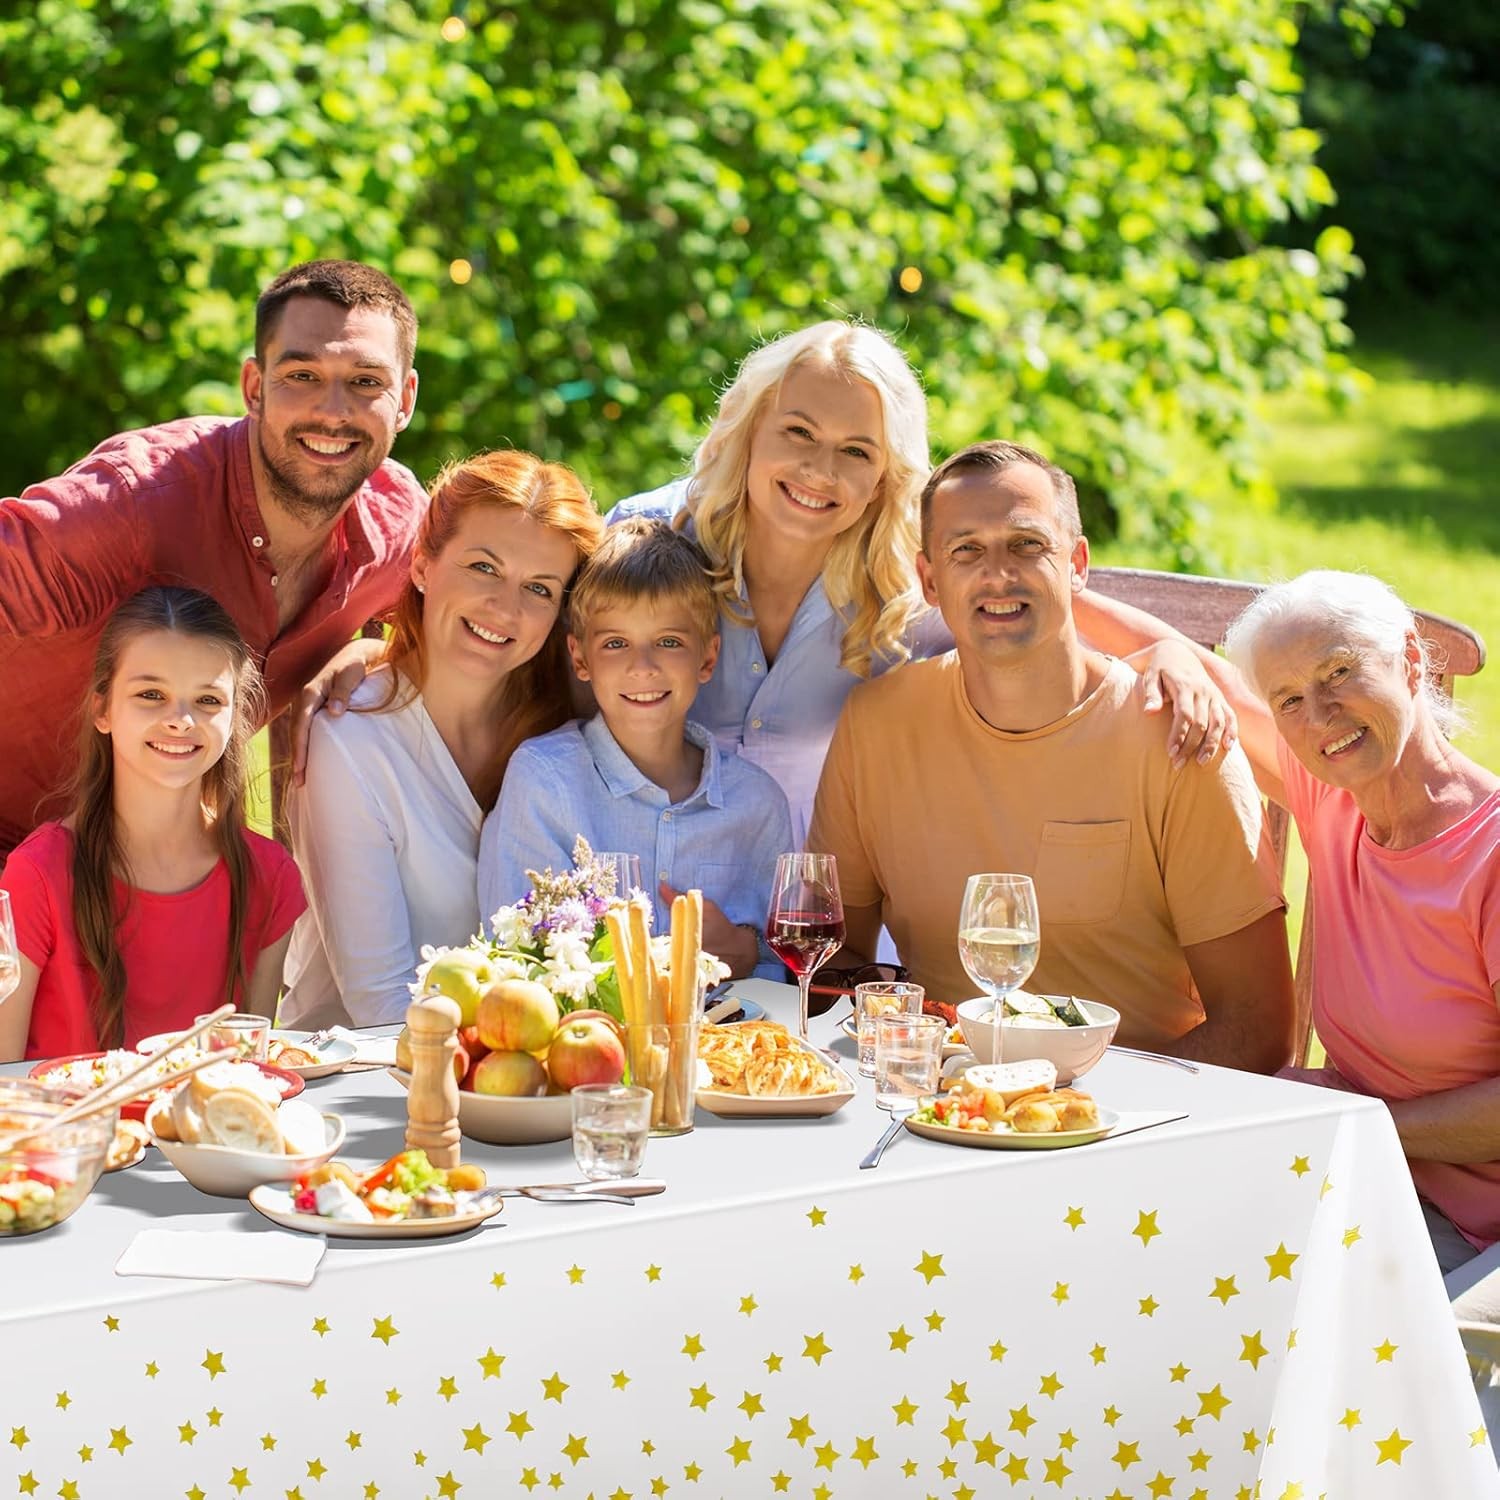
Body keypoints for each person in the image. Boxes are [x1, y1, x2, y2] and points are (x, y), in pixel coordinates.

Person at [610, 320, 1233, 847]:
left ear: (886, 474)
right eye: (798, 433)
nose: (819, 471)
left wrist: (1172, 652)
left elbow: (1056, 603)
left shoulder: (914, 580)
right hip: (654, 899)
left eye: (856, 451)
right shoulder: (653, 539)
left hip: (832, 928)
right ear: (748, 431)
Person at [807, 440, 1295, 1070]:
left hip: (1132, 1128)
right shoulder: (876, 724)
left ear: (1078, 564)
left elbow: (1258, 1030)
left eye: (1027, 545)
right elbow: (838, 966)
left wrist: (1078, 1119)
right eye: (966, 551)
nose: (997, 574)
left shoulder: (1179, 737)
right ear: (930, 580)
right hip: (936, 1112)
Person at [1084, 572, 1500, 1310]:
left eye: (1340, 671)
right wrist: (1072, 591)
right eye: (1289, 700)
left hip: (1474, 1239)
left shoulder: (1487, 853)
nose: (1321, 715)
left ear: (1409, 657)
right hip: (1370, 1186)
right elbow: (1188, 660)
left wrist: (1360, 1129)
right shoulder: (1333, 792)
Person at [0, 259, 427, 859]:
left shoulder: (400, 530)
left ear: (405, 397)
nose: (334, 411)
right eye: (302, 375)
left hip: (124, 869)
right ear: (254, 386)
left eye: (365, 382)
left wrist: (374, 649)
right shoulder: (133, 502)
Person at [278, 450, 605, 1029]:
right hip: (364, 1083)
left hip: (532, 1079)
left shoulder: (569, 734)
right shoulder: (349, 738)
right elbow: (380, 1000)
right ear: (423, 564)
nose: (505, 608)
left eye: (539, 588)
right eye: (484, 567)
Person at [478, 518, 794, 980]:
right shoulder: (545, 780)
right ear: (580, 658)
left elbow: (784, 969)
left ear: (707, 658)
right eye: (616, 643)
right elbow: (514, 955)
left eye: (669, 642)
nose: (642, 667)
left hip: (730, 1044)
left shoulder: (758, 804)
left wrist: (748, 953)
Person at [0, 588, 305, 1061]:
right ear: (102, 709)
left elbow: (249, 1076)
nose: (180, 720)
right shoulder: (36, 876)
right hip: (68, 1135)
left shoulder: (270, 877)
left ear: (234, 714)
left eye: (207, 699)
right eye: (151, 694)